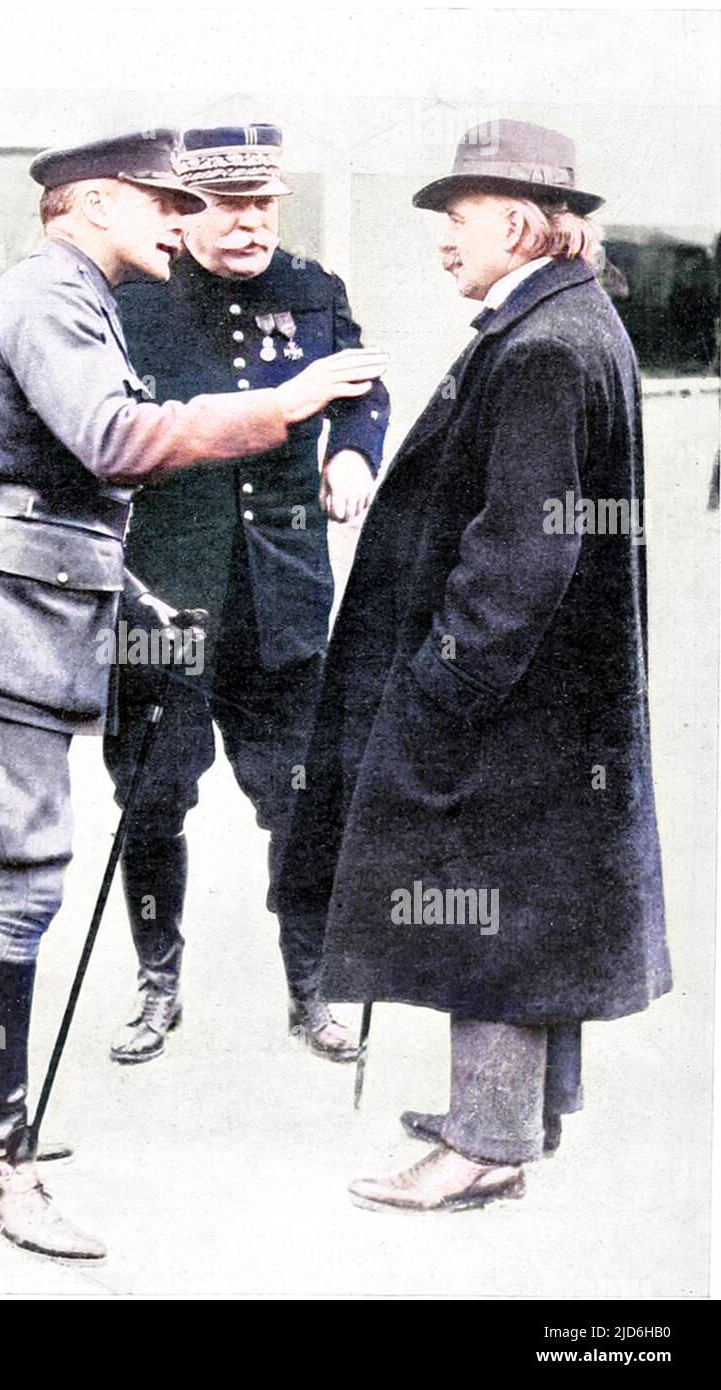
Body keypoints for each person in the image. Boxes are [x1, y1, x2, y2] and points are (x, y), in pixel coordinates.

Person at [0, 129, 386, 1260]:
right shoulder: (56, 296)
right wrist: (283, 406)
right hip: (7, 624)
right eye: (161, 204)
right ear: (94, 204)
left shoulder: (70, 290)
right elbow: (112, 438)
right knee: (17, 879)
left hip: (2, 614)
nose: (181, 222)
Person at [277, 120, 671, 1212]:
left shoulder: (544, 345)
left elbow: (519, 557)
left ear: (515, 220)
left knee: (484, 899)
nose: (443, 242)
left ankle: (484, 1142)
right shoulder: (569, 321)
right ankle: (510, 1114)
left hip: (505, 695)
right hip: (555, 697)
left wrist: (441, 685)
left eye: (455, 220)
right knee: (527, 902)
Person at [106, 124, 390, 1065]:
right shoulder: (129, 298)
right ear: (185, 210)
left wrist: (352, 450)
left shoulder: (312, 290)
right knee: (151, 799)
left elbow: (362, 390)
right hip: (161, 600)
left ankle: (311, 990)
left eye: (264, 205)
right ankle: (157, 984)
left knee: (301, 801)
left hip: (283, 596)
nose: (250, 226)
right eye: (229, 207)